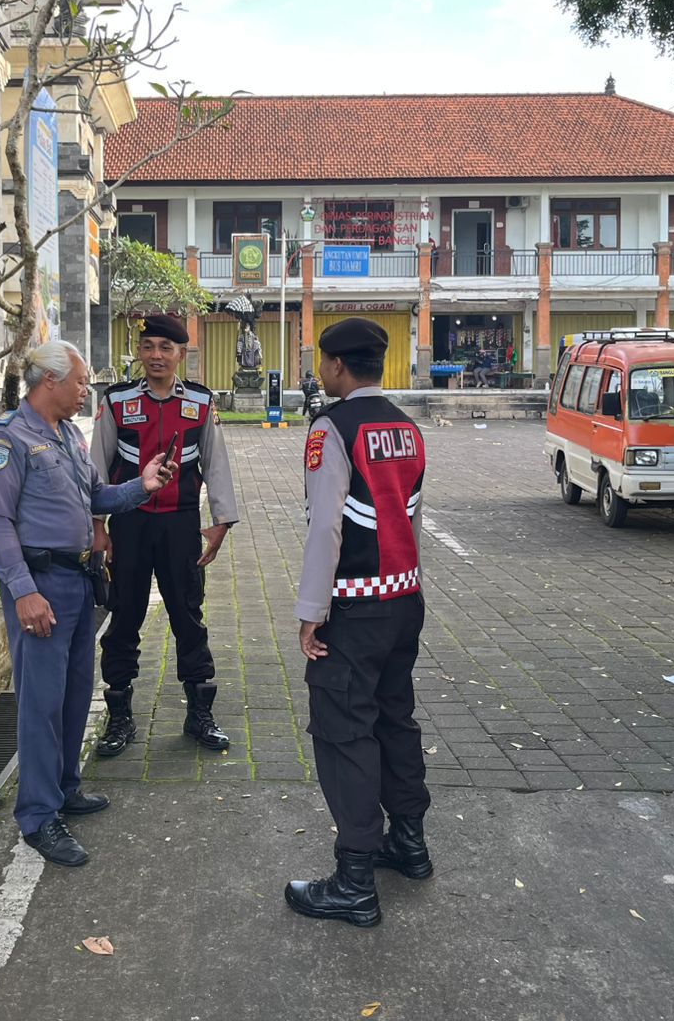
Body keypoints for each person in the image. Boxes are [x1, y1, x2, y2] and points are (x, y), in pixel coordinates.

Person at [0, 340, 175, 867]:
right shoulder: (9, 438)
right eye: (81, 381)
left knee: (73, 697)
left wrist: (142, 485)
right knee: (40, 705)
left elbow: (97, 497)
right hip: (40, 586)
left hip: (77, 583)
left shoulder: (67, 434)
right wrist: (23, 592)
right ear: (50, 380)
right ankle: (38, 816)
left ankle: (65, 788)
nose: (86, 390)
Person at [285, 317, 430, 928]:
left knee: (345, 733)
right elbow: (412, 520)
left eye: (322, 362)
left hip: (353, 607)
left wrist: (310, 613)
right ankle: (409, 842)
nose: (321, 372)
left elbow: (326, 526)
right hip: (403, 600)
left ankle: (354, 881)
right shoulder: (407, 427)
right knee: (395, 719)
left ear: (338, 366)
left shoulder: (332, 428)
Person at [91, 314, 239, 757]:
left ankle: (199, 713)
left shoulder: (200, 401)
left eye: (165, 348)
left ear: (181, 354)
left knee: (188, 616)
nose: (156, 355)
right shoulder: (117, 401)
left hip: (180, 525)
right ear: (140, 351)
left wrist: (221, 522)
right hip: (129, 525)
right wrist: (98, 527)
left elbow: (216, 464)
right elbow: (96, 468)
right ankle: (120, 716)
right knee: (124, 617)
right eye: (149, 346)